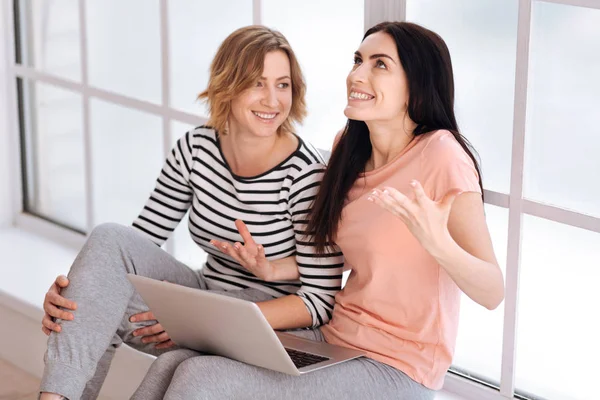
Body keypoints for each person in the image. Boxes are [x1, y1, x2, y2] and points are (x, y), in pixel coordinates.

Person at [131, 21, 505, 400]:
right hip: (334, 340)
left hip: (398, 366)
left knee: (202, 377)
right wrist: (276, 268)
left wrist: (439, 243)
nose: (356, 74)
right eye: (358, 60)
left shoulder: (441, 155)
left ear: (416, 84)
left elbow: (492, 291)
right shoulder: (350, 147)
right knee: (174, 362)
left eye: (380, 65)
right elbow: (362, 251)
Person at [38, 25, 344, 400]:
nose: (272, 100)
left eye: (283, 85)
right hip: (204, 297)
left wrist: (205, 323)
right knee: (106, 247)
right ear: (228, 85)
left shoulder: (306, 176)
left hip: (266, 329)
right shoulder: (196, 148)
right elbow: (133, 249)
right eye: (257, 83)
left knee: (99, 299)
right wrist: (76, 293)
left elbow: (318, 302)